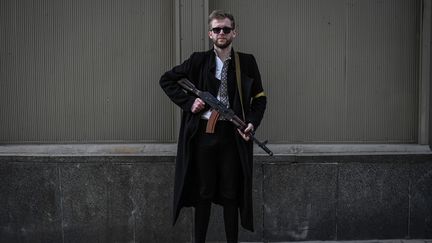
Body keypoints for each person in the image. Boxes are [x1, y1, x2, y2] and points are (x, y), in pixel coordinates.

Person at [159, 10, 267, 243]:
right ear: (210, 34)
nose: (221, 33)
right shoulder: (198, 60)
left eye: (226, 29)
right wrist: (190, 102)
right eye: (217, 29)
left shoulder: (246, 62)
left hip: (232, 136)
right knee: (203, 193)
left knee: (231, 194)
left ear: (234, 33)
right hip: (203, 137)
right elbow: (166, 80)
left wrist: (251, 123)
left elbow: (260, 99)